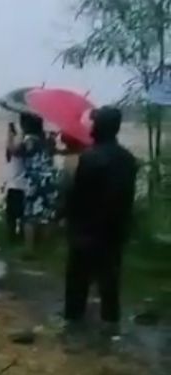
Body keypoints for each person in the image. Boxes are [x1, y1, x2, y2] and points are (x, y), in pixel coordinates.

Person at [64, 106, 137, 332]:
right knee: (110, 283)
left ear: (101, 127)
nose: (91, 126)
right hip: (115, 231)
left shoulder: (90, 158)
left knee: (77, 283)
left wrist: (66, 218)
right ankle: (110, 326)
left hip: (87, 230)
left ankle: (73, 328)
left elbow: (78, 195)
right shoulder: (128, 159)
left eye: (94, 123)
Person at [11, 114, 59, 253]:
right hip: (49, 179)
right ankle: (45, 249)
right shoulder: (48, 140)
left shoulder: (28, 140)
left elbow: (14, 151)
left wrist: (13, 134)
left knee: (29, 216)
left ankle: (29, 249)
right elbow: (53, 152)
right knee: (47, 214)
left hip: (34, 181)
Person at [3, 121, 26, 242]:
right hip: (21, 186)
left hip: (14, 186)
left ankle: (12, 238)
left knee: (11, 217)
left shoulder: (14, 152)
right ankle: (20, 237)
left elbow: (10, 146)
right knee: (21, 216)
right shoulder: (21, 151)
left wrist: (10, 132)